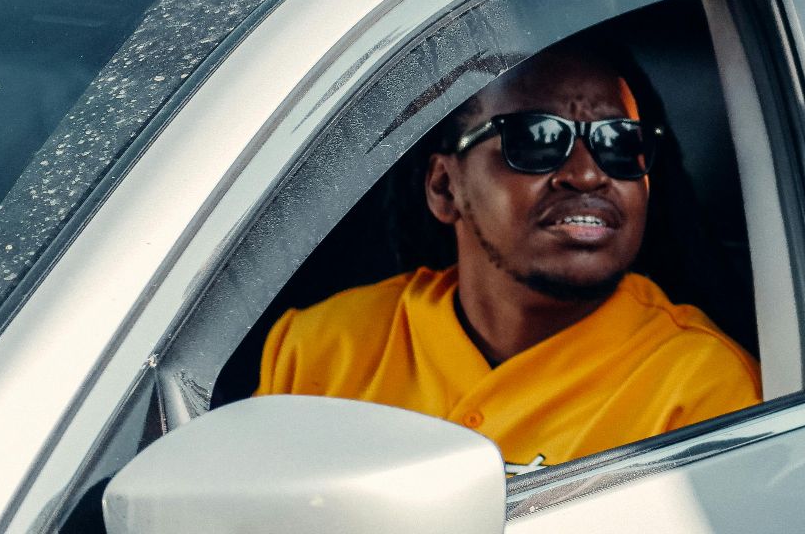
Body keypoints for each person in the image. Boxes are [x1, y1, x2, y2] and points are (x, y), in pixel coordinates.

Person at [258, 34, 761, 475]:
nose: (587, 175)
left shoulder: (700, 387)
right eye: (537, 140)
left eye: (618, 143)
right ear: (444, 187)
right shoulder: (319, 347)